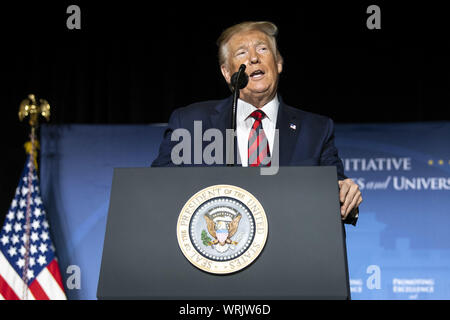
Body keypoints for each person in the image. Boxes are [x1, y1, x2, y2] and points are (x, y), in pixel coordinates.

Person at [152, 21, 362, 225]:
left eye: (262, 49)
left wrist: (345, 194)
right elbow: (157, 189)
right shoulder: (191, 122)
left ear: (278, 63)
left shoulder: (316, 129)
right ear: (227, 73)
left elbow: (337, 191)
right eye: (242, 53)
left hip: (292, 251)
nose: (253, 58)